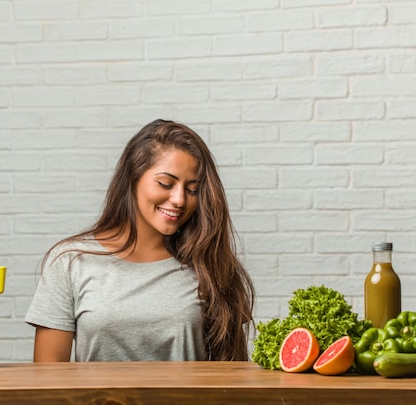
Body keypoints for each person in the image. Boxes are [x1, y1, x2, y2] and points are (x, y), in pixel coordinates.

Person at [25, 119, 255, 362]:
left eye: (192, 190)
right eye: (166, 183)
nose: (179, 199)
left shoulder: (208, 264)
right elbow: (49, 379)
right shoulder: (70, 261)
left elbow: (231, 376)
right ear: (133, 178)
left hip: (189, 402)